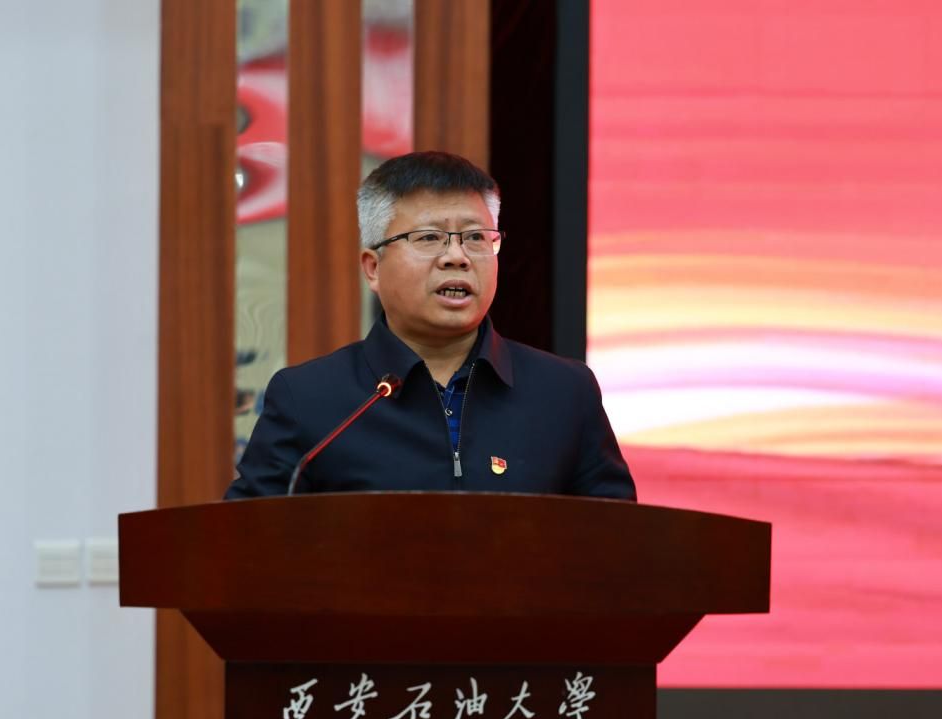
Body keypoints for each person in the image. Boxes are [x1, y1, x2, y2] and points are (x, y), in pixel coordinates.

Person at [226, 150, 635, 500]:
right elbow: (245, 544)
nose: (457, 256)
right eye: (428, 238)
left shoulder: (565, 393)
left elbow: (618, 545)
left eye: (475, 237)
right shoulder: (308, 399)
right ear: (373, 268)